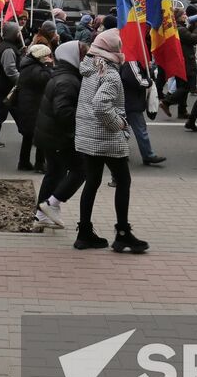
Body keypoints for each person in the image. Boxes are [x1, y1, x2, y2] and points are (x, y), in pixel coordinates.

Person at [72, 30, 147, 254]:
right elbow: (101, 105)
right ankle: (122, 233)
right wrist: (120, 125)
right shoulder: (111, 74)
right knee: (123, 180)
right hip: (106, 138)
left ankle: (84, 232)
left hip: (88, 135)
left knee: (92, 181)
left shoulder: (90, 68)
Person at [34, 40, 84, 229]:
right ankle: (50, 204)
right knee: (81, 169)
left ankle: (41, 215)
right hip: (59, 137)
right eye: (83, 55)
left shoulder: (63, 76)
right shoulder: (67, 80)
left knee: (54, 173)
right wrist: (83, 118)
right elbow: (63, 112)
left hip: (51, 135)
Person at [14, 43, 53, 172]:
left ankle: (24, 162)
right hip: (34, 106)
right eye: (47, 56)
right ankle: (40, 164)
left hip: (28, 104)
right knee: (40, 134)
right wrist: (48, 66)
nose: (49, 57)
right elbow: (46, 79)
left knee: (28, 136)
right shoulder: (36, 69)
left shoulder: (28, 65)